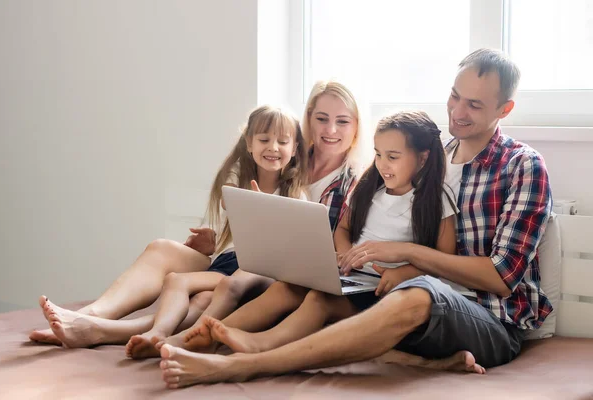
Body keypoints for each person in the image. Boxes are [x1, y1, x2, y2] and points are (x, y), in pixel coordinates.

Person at [157, 48, 554, 389]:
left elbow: (501, 278)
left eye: (475, 104)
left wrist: (405, 255)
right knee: (323, 292)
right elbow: (361, 215)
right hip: (400, 294)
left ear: (505, 109)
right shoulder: (426, 155)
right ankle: (196, 340)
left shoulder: (521, 166)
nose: (458, 111)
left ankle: (242, 365)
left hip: (490, 318)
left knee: (418, 295)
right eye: (454, 96)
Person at [36, 105, 308, 356]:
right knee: (165, 258)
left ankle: (104, 330)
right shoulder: (237, 177)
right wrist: (210, 239)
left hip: (256, 270)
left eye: (282, 142)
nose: (273, 148)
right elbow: (228, 214)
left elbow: (283, 249)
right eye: (264, 140)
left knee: (203, 298)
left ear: (295, 148)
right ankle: (90, 316)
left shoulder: (296, 194)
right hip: (225, 260)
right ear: (249, 142)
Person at [189, 111, 459, 358]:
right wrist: (342, 254)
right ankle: (208, 333)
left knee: (318, 301)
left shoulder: (435, 201)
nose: (382, 164)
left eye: (392, 157)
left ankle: (261, 344)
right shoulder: (369, 188)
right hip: (352, 278)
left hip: (385, 292)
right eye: (378, 154)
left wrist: (403, 273)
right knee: (286, 287)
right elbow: (342, 229)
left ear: (422, 158)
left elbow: (444, 261)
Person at [153, 80, 365, 351]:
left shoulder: (355, 182)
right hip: (247, 261)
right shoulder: (290, 165)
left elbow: (334, 246)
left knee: (225, 289)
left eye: (343, 121)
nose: (331, 129)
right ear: (308, 120)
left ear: (357, 126)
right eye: (321, 118)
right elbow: (233, 219)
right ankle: (156, 334)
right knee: (201, 294)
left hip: (287, 275)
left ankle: (181, 338)